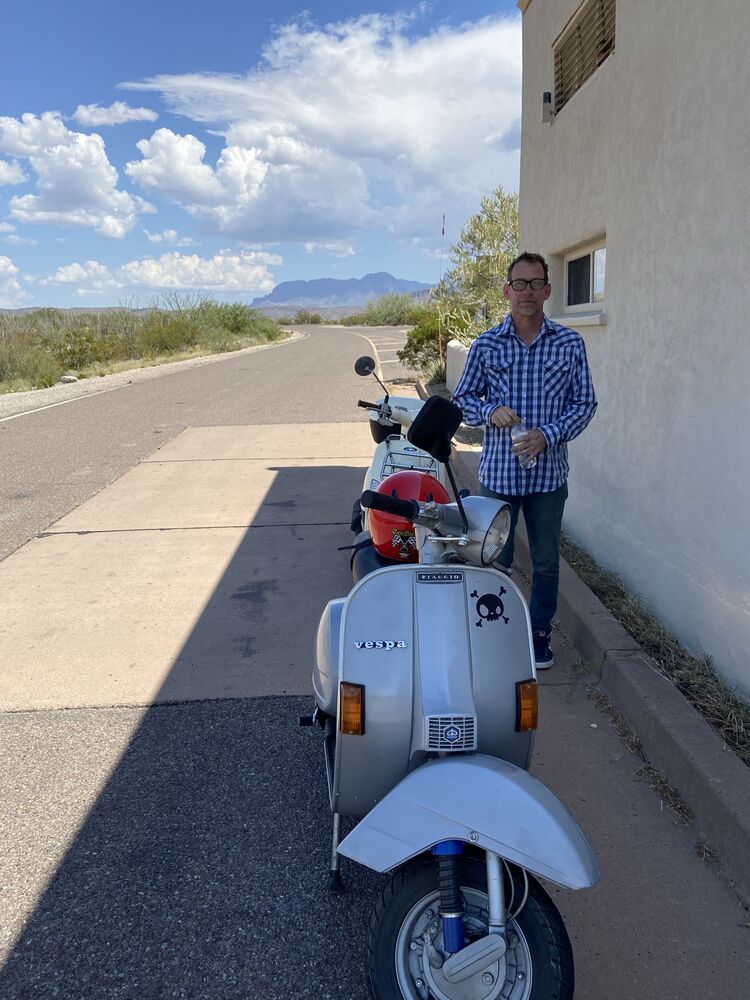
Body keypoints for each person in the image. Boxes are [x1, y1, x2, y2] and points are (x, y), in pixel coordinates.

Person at [452, 251, 597, 668]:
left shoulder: (569, 344)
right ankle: (493, 631)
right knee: (491, 558)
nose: (527, 292)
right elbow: (462, 399)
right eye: (520, 284)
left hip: (549, 478)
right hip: (499, 475)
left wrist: (547, 435)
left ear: (547, 290)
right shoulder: (486, 345)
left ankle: (538, 634)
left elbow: (585, 404)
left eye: (535, 284)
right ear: (507, 291)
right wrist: (489, 411)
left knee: (546, 562)